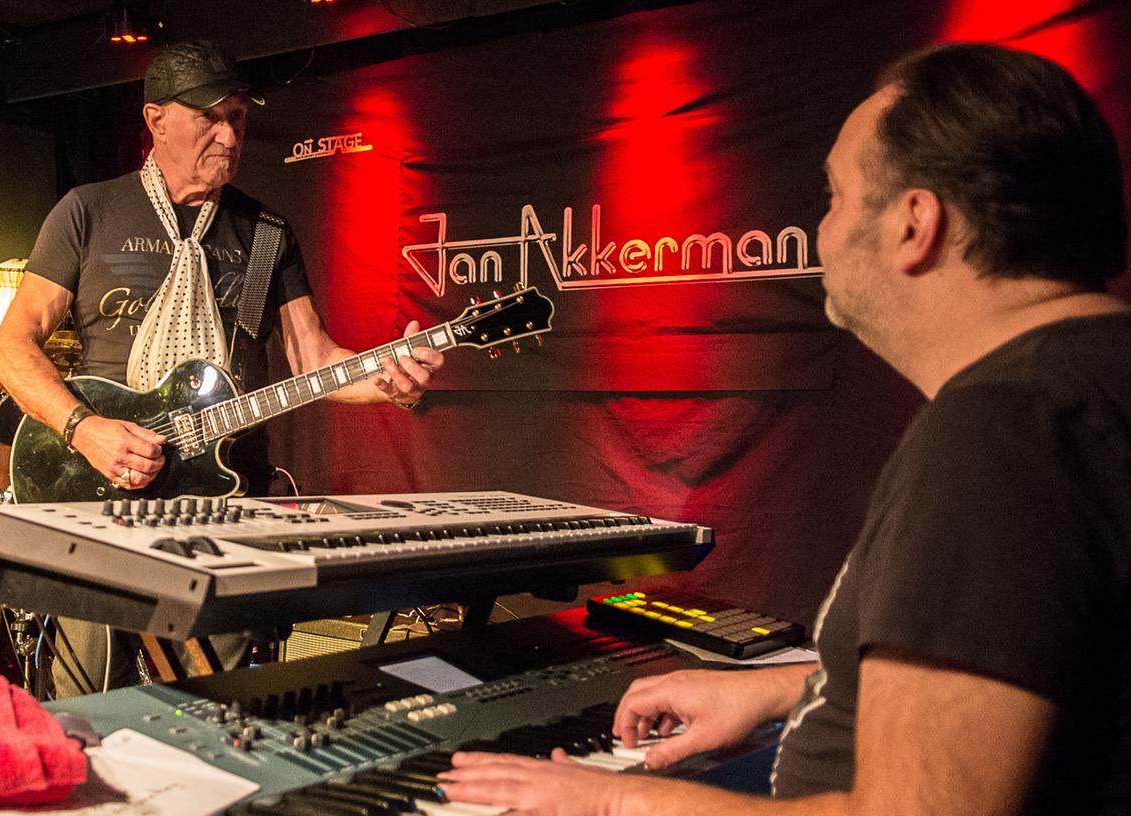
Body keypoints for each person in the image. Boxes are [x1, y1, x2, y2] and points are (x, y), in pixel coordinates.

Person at [438, 43, 1131, 816]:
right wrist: (777, 690)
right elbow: (1020, 670)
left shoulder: (1000, 430)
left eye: (834, 197)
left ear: (915, 225)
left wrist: (608, 803)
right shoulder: (1091, 379)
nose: (822, 232)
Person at [0, 40, 444, 693]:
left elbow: (314, 360)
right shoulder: (88, 212)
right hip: (94, 492)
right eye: (210, 117)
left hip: (222, 498)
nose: (228, 134)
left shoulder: (266, 232)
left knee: (215, 701)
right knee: (87, 707)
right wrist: (84, 430)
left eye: (237, 116)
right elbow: (12, 346)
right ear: (156, 121)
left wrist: (389, 380)